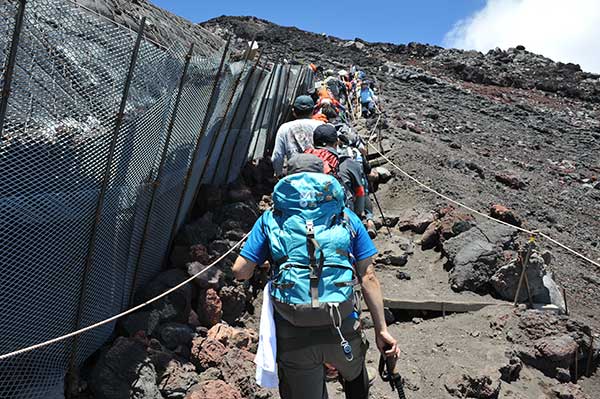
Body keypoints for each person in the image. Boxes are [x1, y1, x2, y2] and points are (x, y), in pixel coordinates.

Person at [232, 160, 399, 399]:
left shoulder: (271, 218)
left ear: (287, 179)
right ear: (324, 177)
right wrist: (381, 330)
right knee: (354, 372)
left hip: (294, 334)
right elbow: (368, 275)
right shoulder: (346, 217)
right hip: (341, 326)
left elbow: (240, 271)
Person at [271, 95, 323, 176]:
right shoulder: (321, 126)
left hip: (294, 175)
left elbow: (277, 156)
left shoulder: (284, 128)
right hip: (318, 173)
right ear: (313, 111)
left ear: (293, 111)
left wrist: (278, 174)